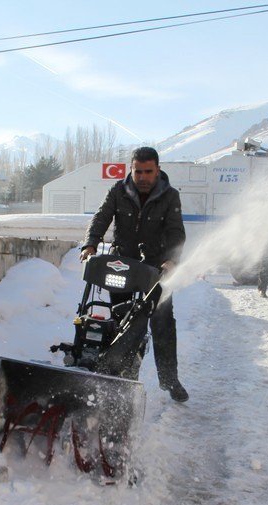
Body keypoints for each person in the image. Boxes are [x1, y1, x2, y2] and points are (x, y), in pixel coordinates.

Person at [79, 147, 189, 402]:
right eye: (137, 171)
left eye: (148, 172)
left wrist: (172, 260)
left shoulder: (170, 196)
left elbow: (176, 232)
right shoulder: (119, 191)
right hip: (122, 265)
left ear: (157, 170)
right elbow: (102, 217)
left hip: (156, 269)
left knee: (162, 322)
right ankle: (118, 375)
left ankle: (170, 380)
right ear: (131, 169)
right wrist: (90, 243)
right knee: (121, 321)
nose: (142, 177)